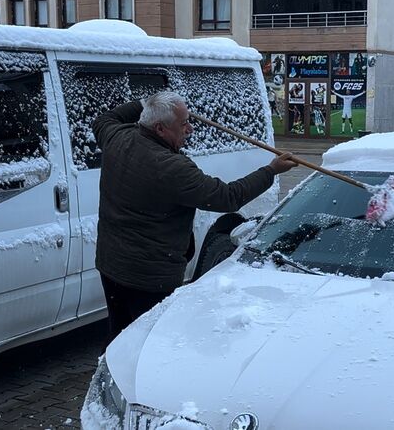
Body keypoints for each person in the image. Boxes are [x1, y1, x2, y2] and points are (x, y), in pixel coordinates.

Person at [92, 91, 297, 341]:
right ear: (159, 128)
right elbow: (227, 197)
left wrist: (146, 103)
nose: (189, 128)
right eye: (183, 124)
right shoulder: (171, 168)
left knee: (119, 335)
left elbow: (104, 119)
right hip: (149, 277)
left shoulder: (116, 136)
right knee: (149, 343)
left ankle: (108, 375)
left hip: (111, 266)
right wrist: (270, 170)